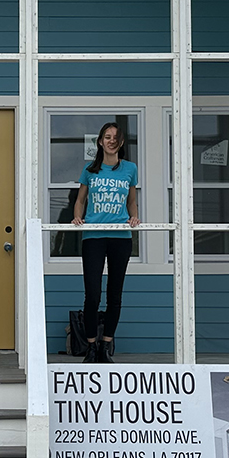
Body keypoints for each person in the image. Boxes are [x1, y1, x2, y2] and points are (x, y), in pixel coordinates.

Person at [71, 122, 139, 363]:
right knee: (92, 294)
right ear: (100, 141)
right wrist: (78, 216)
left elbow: (131, 200)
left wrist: (134, 215)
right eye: (107, 137)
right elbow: (80, 200)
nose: (111, 141)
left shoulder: (130, 168)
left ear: (121, 143)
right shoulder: (90, 170)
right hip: (94, 236)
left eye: (116, 138)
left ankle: (106, 346)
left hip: (120, 237)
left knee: (115, 294)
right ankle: (90, 347)